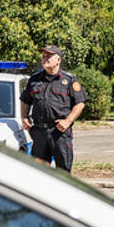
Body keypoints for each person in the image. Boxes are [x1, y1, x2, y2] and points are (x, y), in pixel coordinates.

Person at [20, 45, 86, 173]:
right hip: (39, 132)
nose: (45, 58)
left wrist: (67, 121)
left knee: (63, 171)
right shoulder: (34, 79)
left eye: (49, 56)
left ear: (58, 60)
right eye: (44, 56)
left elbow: (80, 103)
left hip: (59, 132)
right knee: (39, 172)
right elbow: (25, 100)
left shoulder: (69, 80)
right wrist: (24, 117)